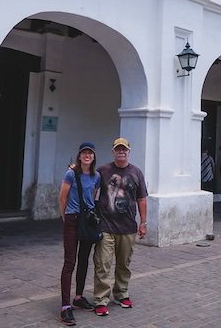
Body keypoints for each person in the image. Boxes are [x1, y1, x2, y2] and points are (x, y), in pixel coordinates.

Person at [92, 137, 148, 317]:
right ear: (113, 151)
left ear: (129, 152)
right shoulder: (103, 171)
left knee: (124, 264)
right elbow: (91, 188)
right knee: (103, 264)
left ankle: (121, 293)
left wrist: (143, 223)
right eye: (118, 149)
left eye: (124, 149)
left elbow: (141, 199)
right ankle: (101, 300)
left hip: (128, 227)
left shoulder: (136, 173)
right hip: (106, 225)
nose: (121, 152)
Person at [57, 142, 101, 326]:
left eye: (90, 153)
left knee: (84, 260)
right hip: (73, 219)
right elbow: (62, 197)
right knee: (70, 262)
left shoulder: (96, 176)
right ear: (80, 155)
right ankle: (65, 306)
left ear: (93, 156)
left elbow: (95, 195)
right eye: (84, 153)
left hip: (87, 221)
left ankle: (79, 296)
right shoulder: (71, 174)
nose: (87, 156)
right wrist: (65, 217)